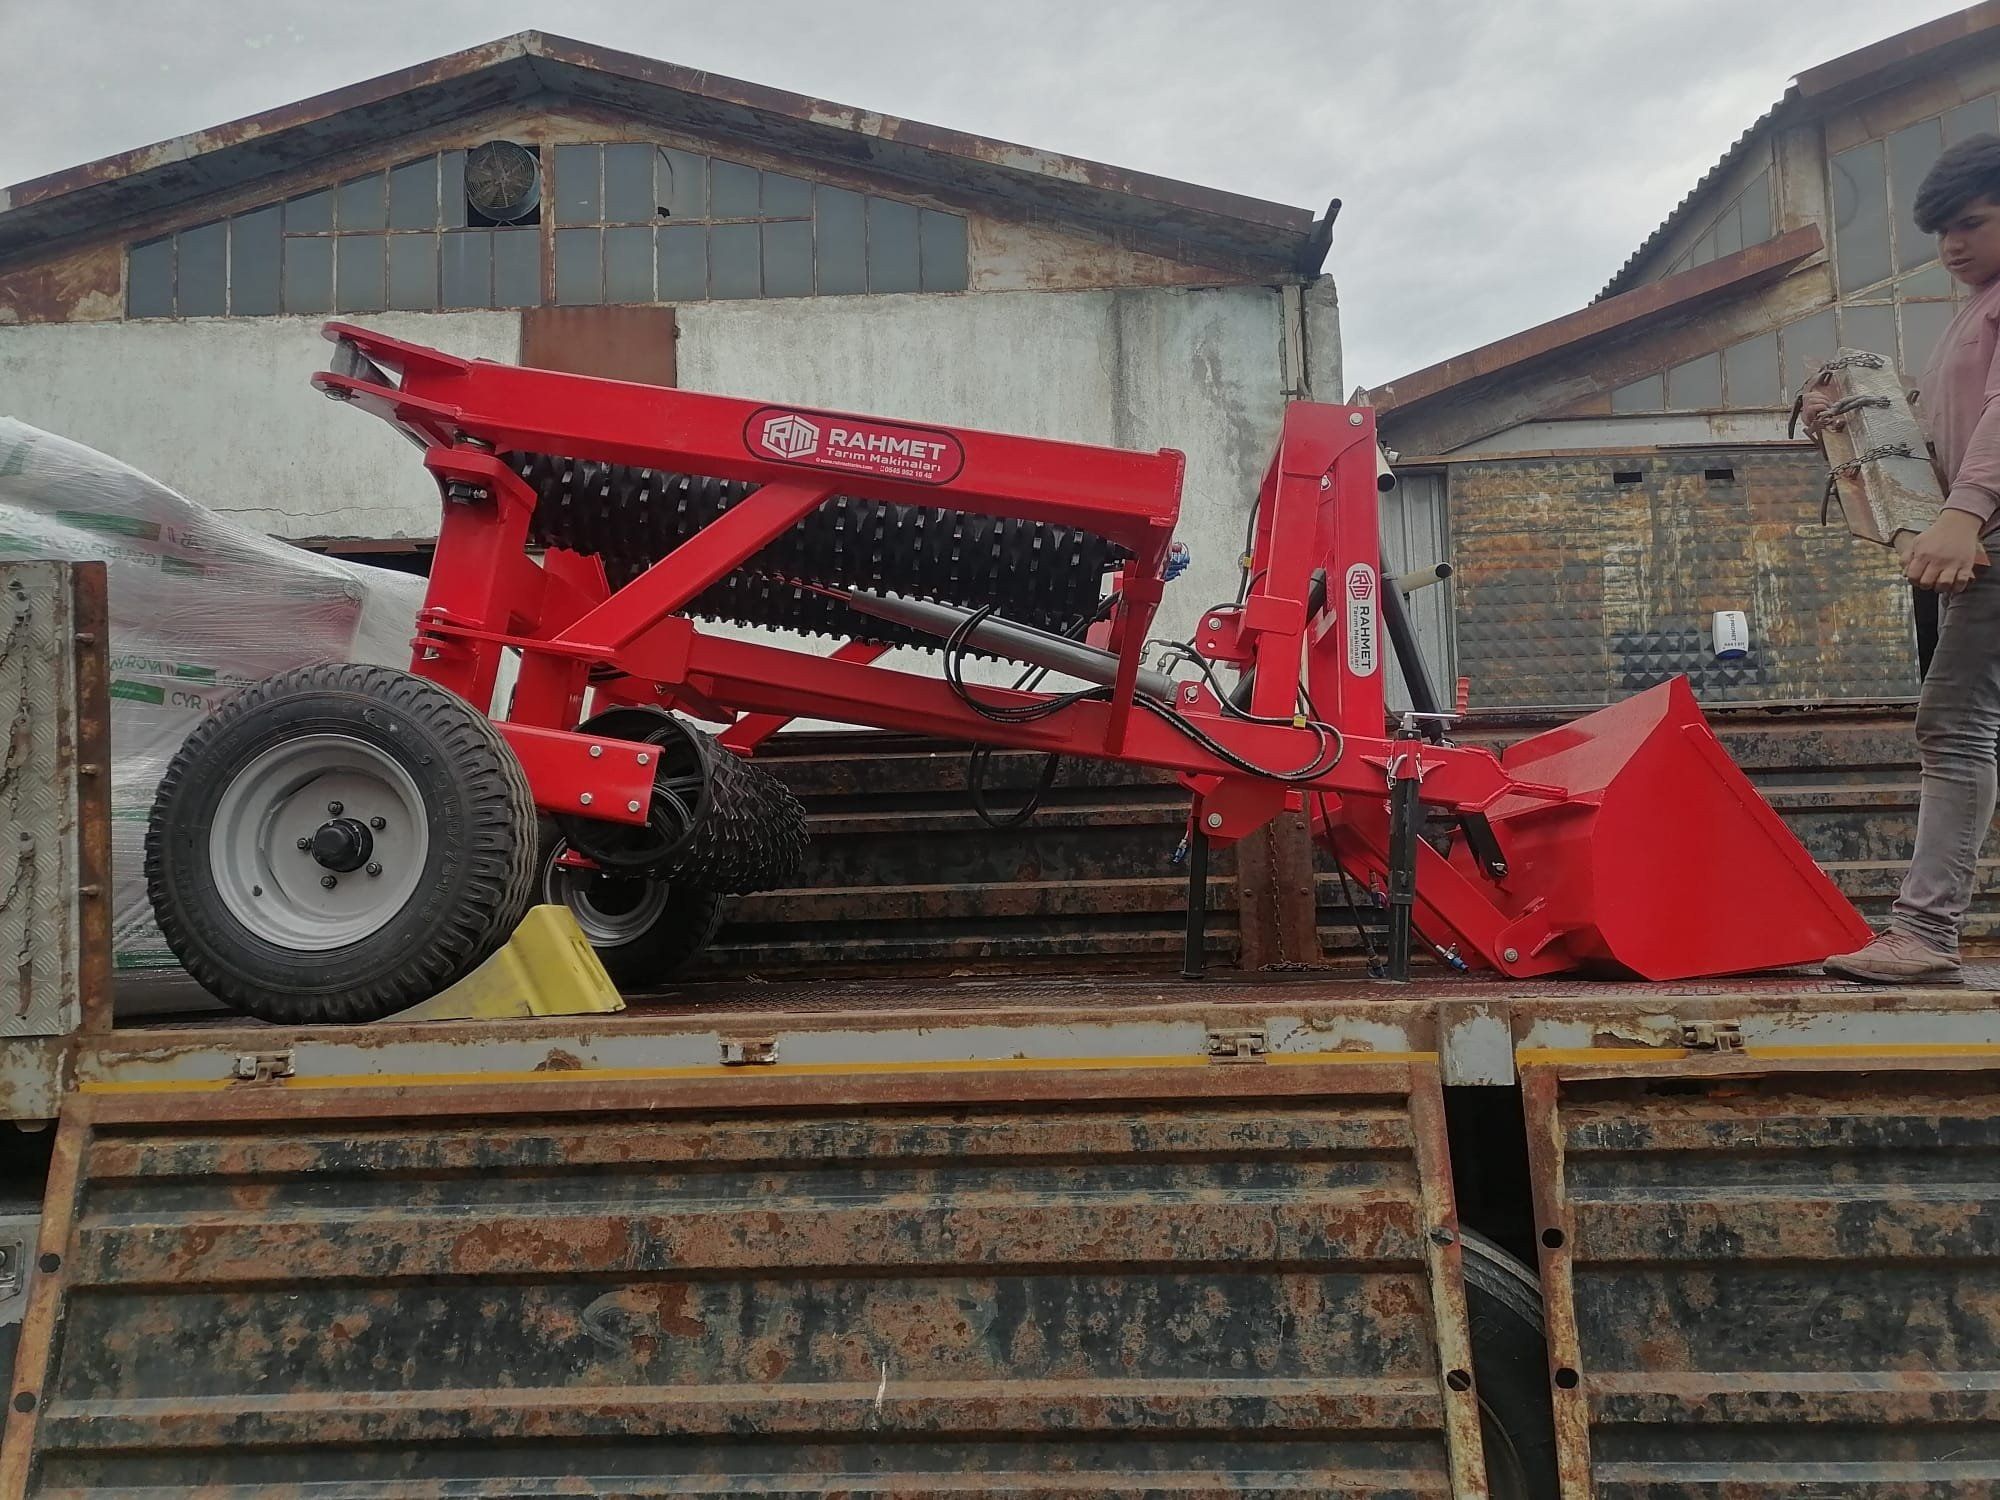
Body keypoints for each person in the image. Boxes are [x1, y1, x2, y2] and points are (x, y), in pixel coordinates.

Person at [1813, 133, 2000, 983]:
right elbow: (1946, 436)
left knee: (1954, 725)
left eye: (1970, 223)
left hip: (1993, 537)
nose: (1951, 246)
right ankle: (1926, 932)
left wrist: (1966, 513)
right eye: (1940, 233)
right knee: (1962, 725)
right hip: (1980, 541)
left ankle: (1925, 936)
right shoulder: (1974, 309)